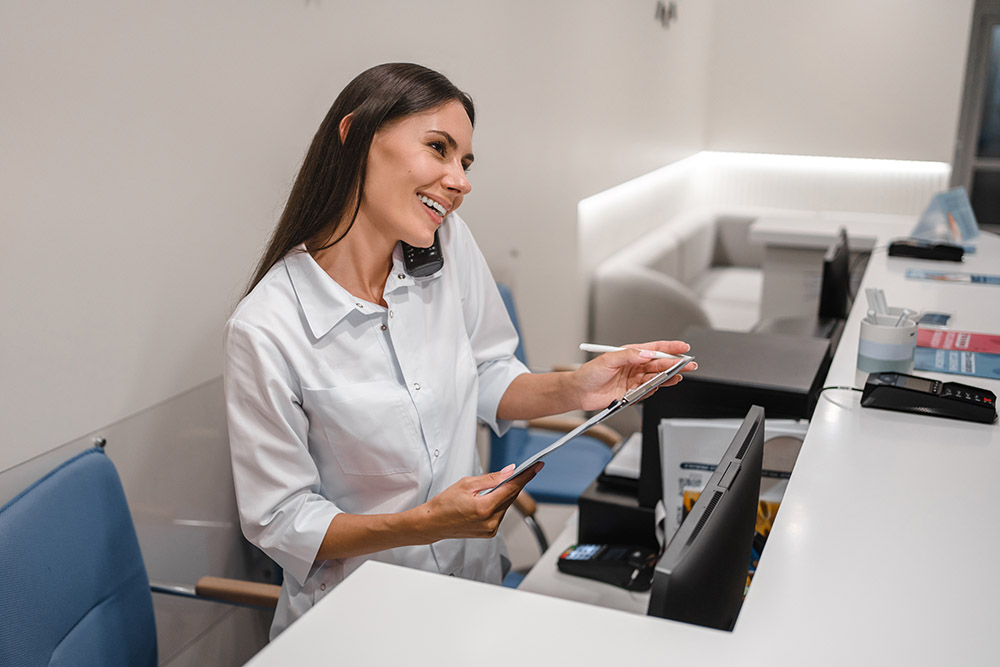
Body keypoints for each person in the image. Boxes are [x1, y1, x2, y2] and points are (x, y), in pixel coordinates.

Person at [223, 62, 694, 637]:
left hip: (468, 592)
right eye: (438, 149)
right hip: (358, 624)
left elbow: (490, 373)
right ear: (354, 136)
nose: (460, 180)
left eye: (464, 162)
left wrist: (580, 387)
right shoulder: (267, 327)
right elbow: (282, 520)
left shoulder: (446, 247)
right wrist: (424, 523)